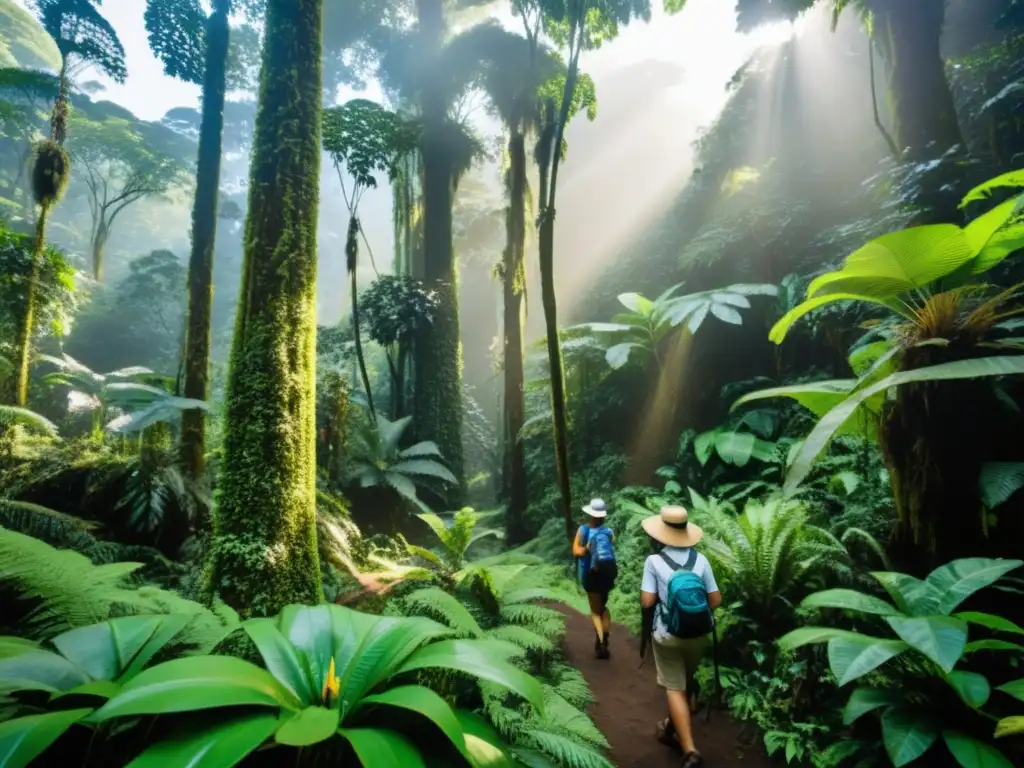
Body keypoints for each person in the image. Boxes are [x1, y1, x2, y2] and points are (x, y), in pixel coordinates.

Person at [639, 505, 721, 768]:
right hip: (698, 634)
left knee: (675, 687)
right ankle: (668, 728)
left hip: (667, 634)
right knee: (683, 682)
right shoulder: (701, 560)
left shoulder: (654, 561)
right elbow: (715, 600)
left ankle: (690, 750)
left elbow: (647, 601)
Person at [572, 498, 617, 659]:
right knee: (604, 607)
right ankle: (605, 635)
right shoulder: (609, 532)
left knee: (595, 611)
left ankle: (601, 641)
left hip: (591, 575)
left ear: (590, 514)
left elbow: (576, 551)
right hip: (608, 574)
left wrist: (586, 549)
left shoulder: (583, 530)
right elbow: (610, 549)